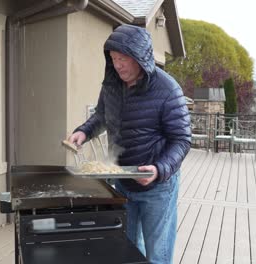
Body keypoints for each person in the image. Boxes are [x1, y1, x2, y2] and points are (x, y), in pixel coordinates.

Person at [68, 24, 191, 264]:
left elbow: (182, 140)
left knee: (158, 254)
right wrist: (83, 132)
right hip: (123, 182)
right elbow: (101, 116)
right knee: (127, 249)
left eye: (123, 58)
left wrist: (159, 169)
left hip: (158, 186)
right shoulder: (112, 84)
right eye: (114, 58)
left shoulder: (168, 90)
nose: (118, 65)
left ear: (140, 57)